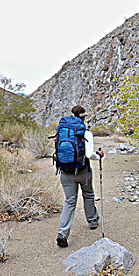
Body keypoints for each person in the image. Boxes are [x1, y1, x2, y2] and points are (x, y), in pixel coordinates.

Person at [56, 105, 104, 248]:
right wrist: (99, 155)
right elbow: (89, 155)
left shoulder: (62, 129)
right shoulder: (86, 132)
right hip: (83, 171)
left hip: (65, 172)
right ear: (84, 117)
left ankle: (62, 233)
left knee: (69, 201)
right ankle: (92, 221)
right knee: (88, 194)